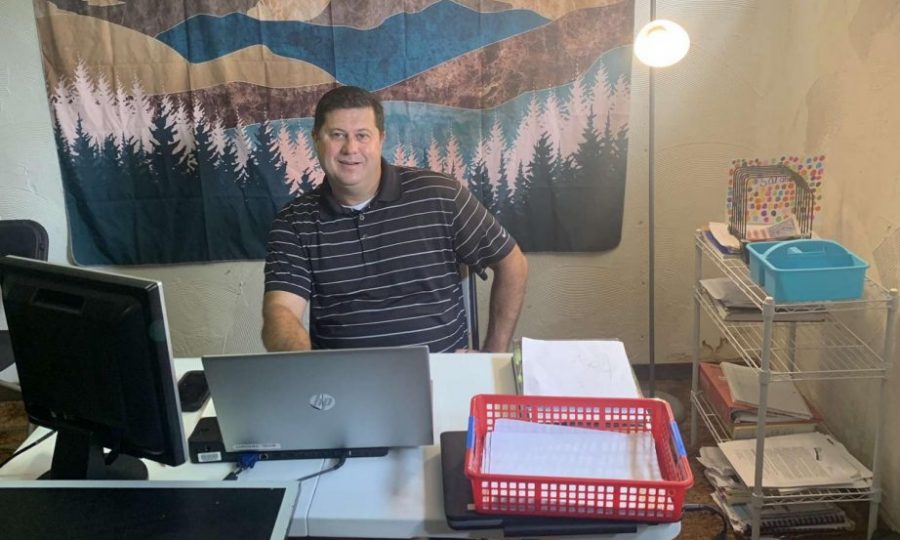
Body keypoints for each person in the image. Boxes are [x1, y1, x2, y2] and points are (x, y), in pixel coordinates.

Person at [262, 86, 528, 353]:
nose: (350, 148)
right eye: (337, 135)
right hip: (343, 382)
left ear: (381, 139)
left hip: (442, 374)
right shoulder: (293, 222)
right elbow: (281, 310)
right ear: (316, 140)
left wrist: (494, 356)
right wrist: (303, 372)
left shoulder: (439, 194)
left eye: (362, 135)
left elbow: (512, 263)